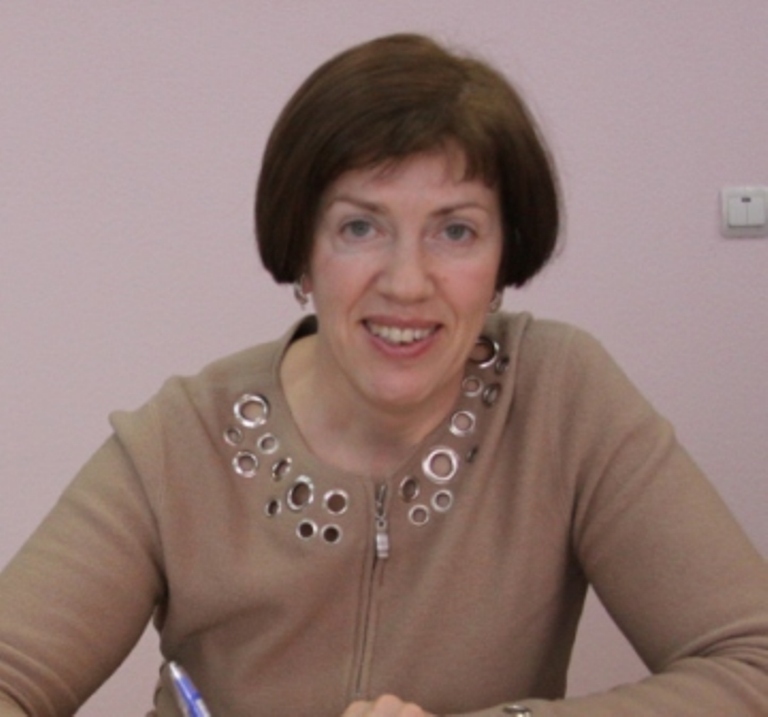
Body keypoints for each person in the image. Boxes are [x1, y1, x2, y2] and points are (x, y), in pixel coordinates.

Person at [0, 32, 766, 717]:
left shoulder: (561, 394)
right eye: (360, 226)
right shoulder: (182, 438)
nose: (406, 281)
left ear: (504, 255)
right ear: (303, 248)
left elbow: (751, 663)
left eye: (456, 230)